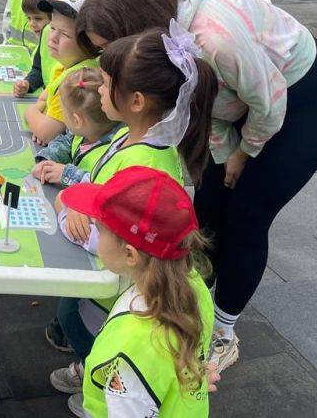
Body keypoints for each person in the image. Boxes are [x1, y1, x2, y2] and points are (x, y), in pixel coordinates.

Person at [78, 0, 317, 373]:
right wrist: (224, 152)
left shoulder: (212, 41)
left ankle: (222, 332)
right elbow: (203, 103)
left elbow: (269, 103)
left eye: (109, 46)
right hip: (239, 100)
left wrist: (243, 154)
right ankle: (195, 302)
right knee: (209, 205)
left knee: (247, 215)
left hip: (299, 97)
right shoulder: (167, 40)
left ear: (132, 27)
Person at [49, 25, 217, 370]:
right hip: (119, 271)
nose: (99, 93)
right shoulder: (130, 136)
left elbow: (107, 234)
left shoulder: (142, 163)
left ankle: (96, 375)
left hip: (118, 281)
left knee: (80, 323)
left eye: (107, 86)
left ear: (136, 101)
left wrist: (65, 209)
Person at [52, 167, 215, 418]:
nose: (94, 231)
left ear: (130, 254)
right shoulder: (193, 285)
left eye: (98, 228)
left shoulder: (133, 347)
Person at [31, 67, 121, 360]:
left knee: (74, 313)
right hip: (93, 241)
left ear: (79, 119)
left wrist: (66, 176)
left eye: (67, 117)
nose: (65, 125)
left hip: (102, 250)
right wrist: (47, 159)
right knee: (71, 305)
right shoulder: (84, 134)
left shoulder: (112, 149)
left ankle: (93, 370)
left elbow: (96, 181)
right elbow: (64, 141)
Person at [24, 0, 100, 145]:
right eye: (52, 28)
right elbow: (43, 99)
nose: (53, 38)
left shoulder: (77, 79)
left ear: (90, 41)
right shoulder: (62, 68)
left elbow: (46, 132)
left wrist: (29, 112)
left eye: (65, 34)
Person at [15, 0, 96, 98]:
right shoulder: (48, 31)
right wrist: (28, 84)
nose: (54, 15)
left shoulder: (86, 66)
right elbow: (39, 69)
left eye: (63, 8)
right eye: (52, 7)